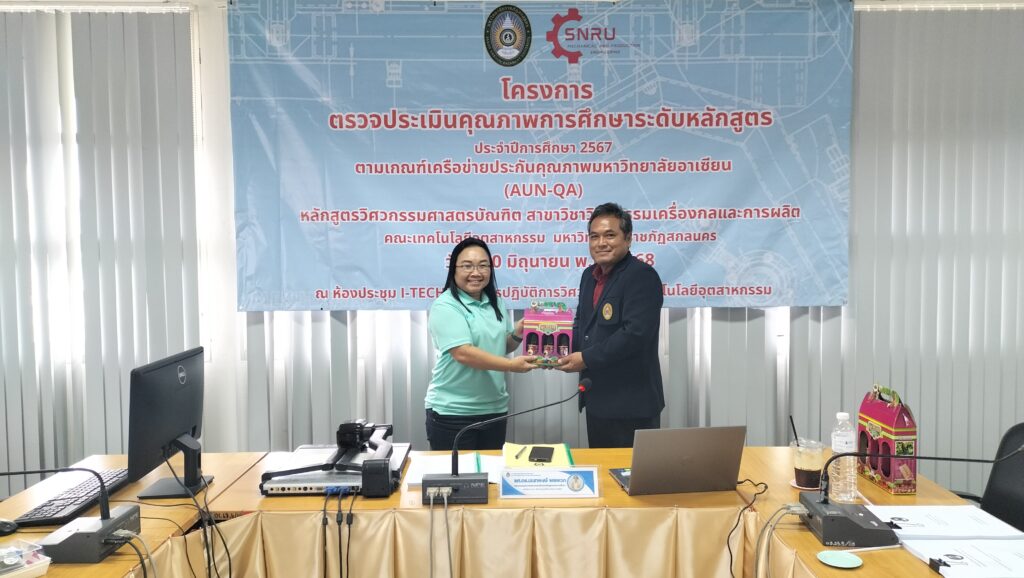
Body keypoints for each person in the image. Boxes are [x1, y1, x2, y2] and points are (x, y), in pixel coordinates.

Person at [556, 203, 665, 447]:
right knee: (603, 469)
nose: (601, 243)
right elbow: (582, 324)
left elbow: (635, 335)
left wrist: (585, 358)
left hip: (632, 405)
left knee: (630, 471)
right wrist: (555, 349)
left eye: (610, 235)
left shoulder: (641, 276)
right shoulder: (588, 276)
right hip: (597, 400)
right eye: (594, 236)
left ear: (628, 239)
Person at [425, 237, 537, 450]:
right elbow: (463, 353)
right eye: (467, 266)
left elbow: (501, 347)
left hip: (494, 409)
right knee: (458, 472)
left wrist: (518, 333)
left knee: (491, 471)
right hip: (453, 412)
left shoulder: (495, 302)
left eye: (483, 266)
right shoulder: (445, 305)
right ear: (454, 270)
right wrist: (511, 366)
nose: (476, 272)